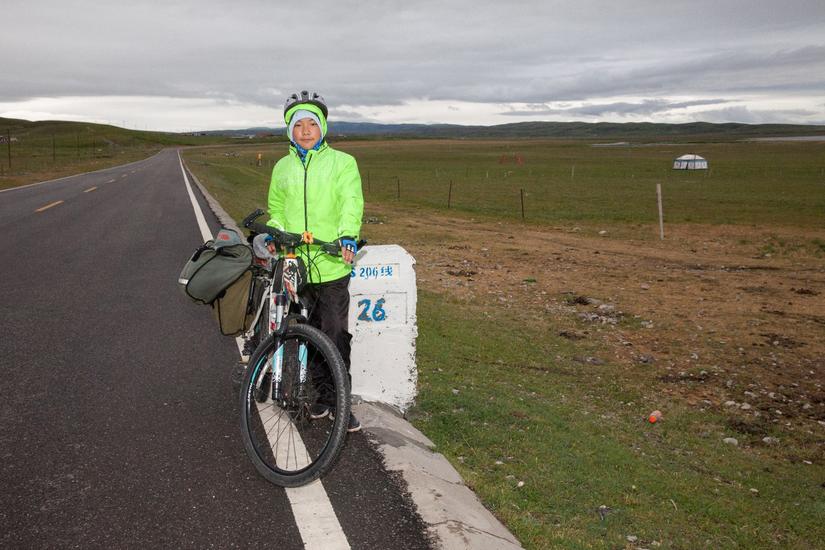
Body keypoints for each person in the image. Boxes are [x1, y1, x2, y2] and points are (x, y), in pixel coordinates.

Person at [267, 90, 364, 432]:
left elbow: (351, 203)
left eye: (312, 124)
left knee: (334, 332)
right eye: (298, 125)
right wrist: (273, 232)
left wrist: (347, 235)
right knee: (304, 332)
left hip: (331, 263)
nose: (306, 130)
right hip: (293, 263)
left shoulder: (343, 163)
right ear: (289, 131)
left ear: (323, 127)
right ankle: (315, 395)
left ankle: (337, 401)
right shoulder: (282, 167)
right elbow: (276, 210)